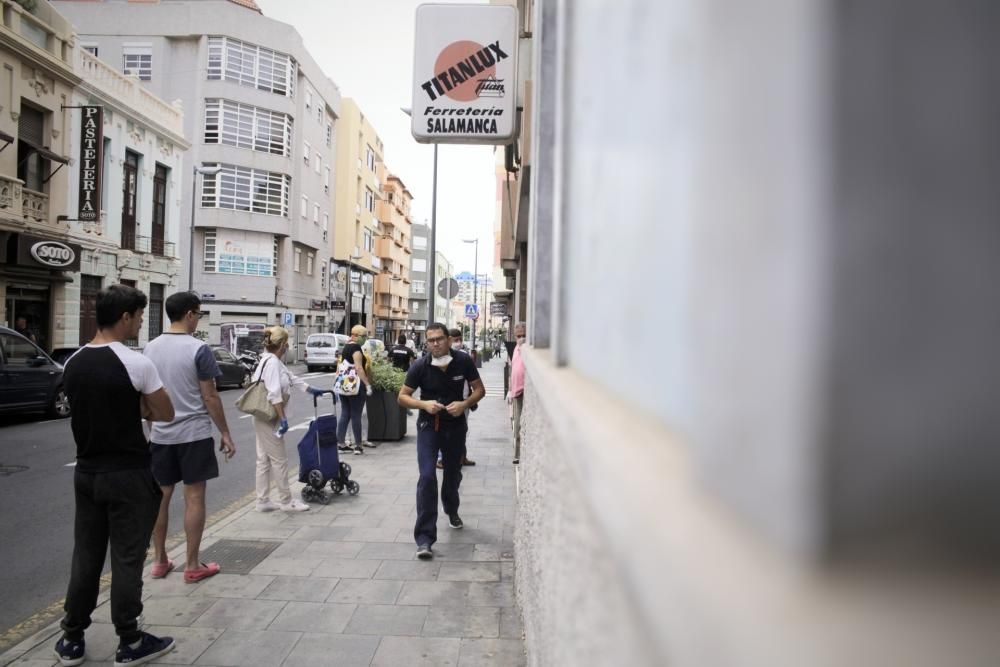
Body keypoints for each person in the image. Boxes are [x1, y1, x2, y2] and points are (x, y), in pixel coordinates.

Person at [55, 284, 177, 667]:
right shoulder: (135, 363)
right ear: (125, 317)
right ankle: (129, 639)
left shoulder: (73, 362)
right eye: (139, 316)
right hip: (127, 473)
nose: (141, 322)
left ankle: (72, 638)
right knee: (127, 558)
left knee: (86, 556)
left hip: (87, 473)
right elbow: (165, 412)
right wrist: (138, 406)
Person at [144, 292, 236, 585]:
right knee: (194, 497)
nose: (198, 319)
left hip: (161, 434)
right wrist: (224, 431)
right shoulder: (198, 349)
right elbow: (209, 396)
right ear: (189, 314)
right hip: (193, 434)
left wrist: (151, 423)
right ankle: (193, 565)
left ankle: (159, 561)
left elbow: (146, 393)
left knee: (160, 497)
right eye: (198, 314)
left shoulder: (150, 348)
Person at [398, 322, 485, 559]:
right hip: (429, 426)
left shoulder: (463, 361)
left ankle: (451, 508)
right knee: (427, 477)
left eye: (439, 339)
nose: (435, 343)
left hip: (455, 426)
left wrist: (464, 404)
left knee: (452, 474)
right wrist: (424, 404)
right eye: (431, 340)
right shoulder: (420, 365)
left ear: (448, 339)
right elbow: (402, 397)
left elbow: (479, 390)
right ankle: (424, 539)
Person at [252, 326, 325, 513]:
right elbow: (274, 394)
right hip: (270, 417)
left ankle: (263, 500)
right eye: (287, 344)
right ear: (283, 345)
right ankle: (286, 501)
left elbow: (292, 378)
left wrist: (310, 389)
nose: (287, 347)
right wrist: (283, 420)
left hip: (262, 415)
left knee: (263, 459)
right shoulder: (273, 363)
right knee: (279, 459)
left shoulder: (269, 360)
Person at [337, 324, 374, 455]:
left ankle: (340, 444)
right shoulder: (356, 348)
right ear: (356, 335)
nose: (366, 339)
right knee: (356, 415)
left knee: (345, 414)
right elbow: (359, 368)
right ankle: (358, 446)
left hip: (344, 386)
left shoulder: (346, 347)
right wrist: (368, 384)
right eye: (364, 336)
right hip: (356, 387)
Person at [507, 322, 527, 464]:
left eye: (524, 335)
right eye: (518, 336)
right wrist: (509, 390)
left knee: (522, 424)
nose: (521, 339)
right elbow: (513, 369)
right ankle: (517, 454)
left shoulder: (527, 349)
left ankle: (521, 454)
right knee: (517, 425)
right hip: (516, 392)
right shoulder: (515, 349)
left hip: (525, 391)